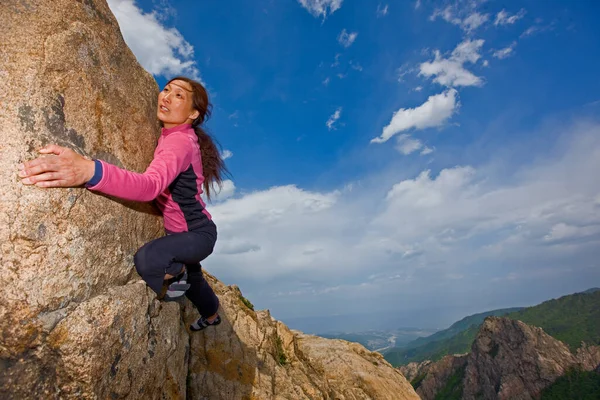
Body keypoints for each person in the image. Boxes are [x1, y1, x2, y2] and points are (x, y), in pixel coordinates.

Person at [17, 76, 227, 332]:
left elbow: (149, 186)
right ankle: (212, 315)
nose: (167, 97)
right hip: (189, 233)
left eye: (179, 95)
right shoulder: (178, 135)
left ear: (193, 113)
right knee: (196, 281)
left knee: (149, 259)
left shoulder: (179, 143)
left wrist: (89, 171)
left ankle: (172, 283)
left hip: (197, 234)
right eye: (167, 89)